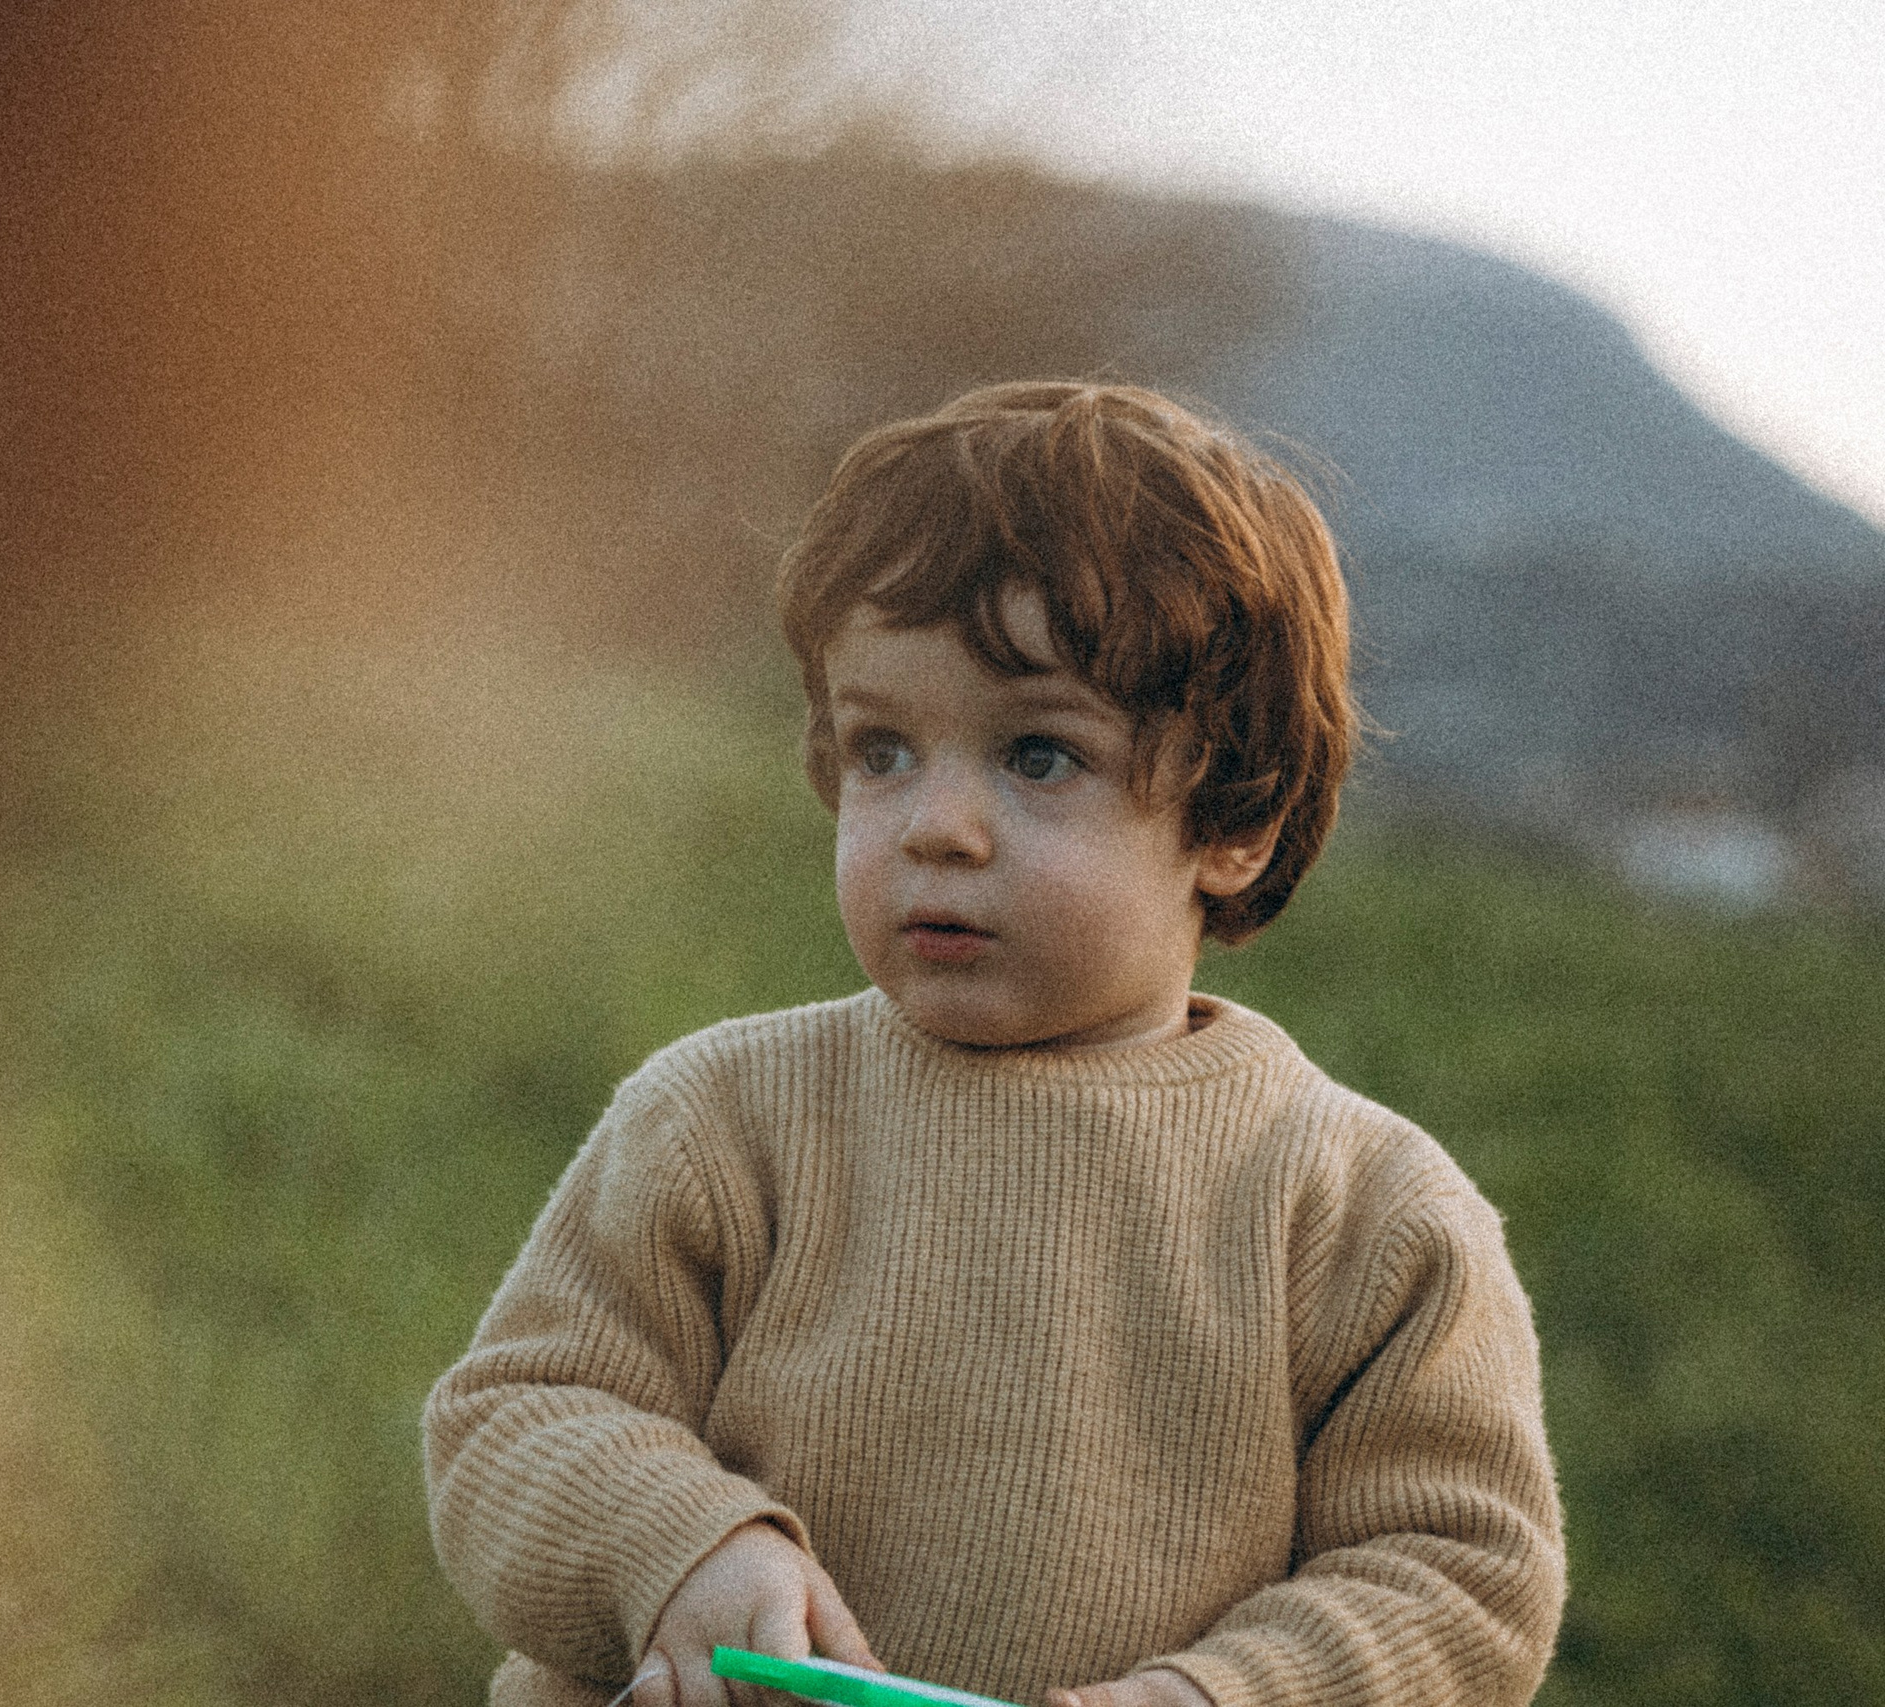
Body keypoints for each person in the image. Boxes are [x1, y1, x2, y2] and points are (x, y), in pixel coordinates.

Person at [421, 382, 1566, 1707]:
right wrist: (678, 1547)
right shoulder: (722, 1120)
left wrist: (1221, 1695)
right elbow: (516, 1414)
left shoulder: (1363, 1214)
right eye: (883, 748)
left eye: (1035, 755)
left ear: (1235, 814)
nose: (935, 825)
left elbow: (1457, 1577)